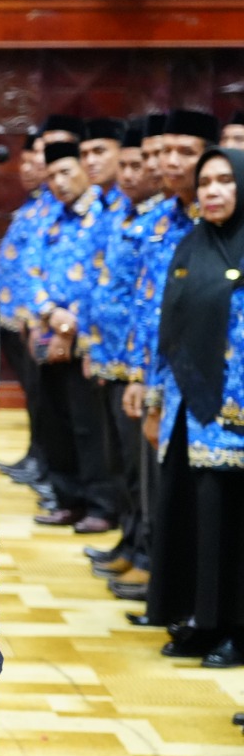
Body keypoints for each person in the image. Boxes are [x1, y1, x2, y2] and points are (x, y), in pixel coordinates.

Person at [143, 147, 244, 669]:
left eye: (225, 180)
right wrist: (155, 397)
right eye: (206, 182)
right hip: (188, 409)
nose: (213, 191)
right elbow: (168, 328)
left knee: (232, 524)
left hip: (234, 416)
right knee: (192, 516)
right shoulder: (190, 244)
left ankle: (237, 630)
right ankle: (202, 621)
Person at [80, 116, 169, 600]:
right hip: (112, 355)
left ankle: (148, 554)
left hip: (142, 364)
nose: (137, 172)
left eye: (143, 163)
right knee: (122, 464)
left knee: (141, 468)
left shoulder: (162, 220)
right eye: (133, 163)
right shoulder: (122, 213)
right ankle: (131, 542)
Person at [31, 141, 121, 533]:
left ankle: (101, 504)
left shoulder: (106, 214)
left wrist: (69, 327)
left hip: (87, 340)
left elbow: (106, 278)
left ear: (85, 168)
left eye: (66, 172)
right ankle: (67, 499)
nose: (59, 182)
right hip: (50, 331)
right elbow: (32, 270)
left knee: (90, 427)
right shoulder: (52, 217)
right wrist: (50, 314)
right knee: (55, 422)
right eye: (51, 175)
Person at [0, 128, 55, 495]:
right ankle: (35, 455)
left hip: (34, 318)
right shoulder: (34, 204)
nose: (28, 167)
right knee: (33, 394)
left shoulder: (54, 207)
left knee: (42, 395)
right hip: (13, 315)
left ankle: (44, 461)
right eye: (26, 160)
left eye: (38, 159)